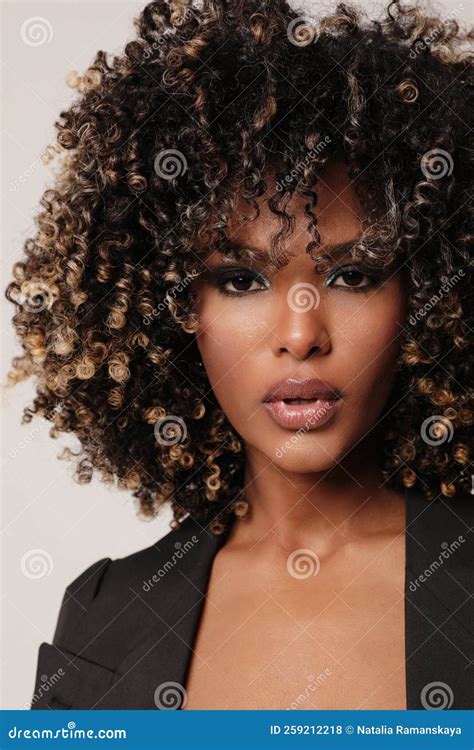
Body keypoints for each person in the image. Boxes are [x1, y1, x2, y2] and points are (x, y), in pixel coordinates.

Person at [5, 0, 472, 710]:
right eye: (241, 279)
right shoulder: (107, 618)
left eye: (353, 275)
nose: (300, 333)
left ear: (427, 297)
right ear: (175, 307)